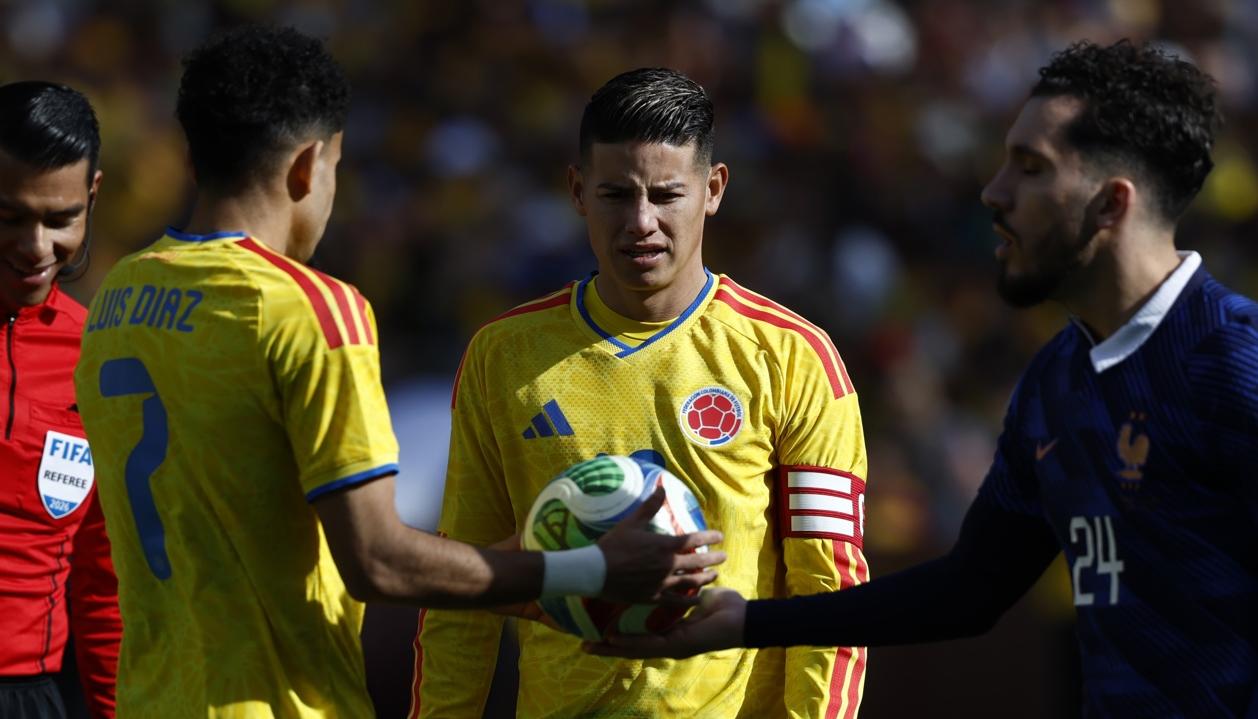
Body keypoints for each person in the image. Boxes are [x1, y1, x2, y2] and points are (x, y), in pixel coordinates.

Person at [589, 40, 1258, 718]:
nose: (993, 192)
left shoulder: (1234, 365)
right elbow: (967, 591)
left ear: (1111, 204)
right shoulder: (1057, 380)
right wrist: (748, 623)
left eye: (1030, 168)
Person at [72, 27, 722, 718]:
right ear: (308, 165)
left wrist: (517, 571)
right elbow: (377, 560)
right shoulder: (312, 310)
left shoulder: (117, 299)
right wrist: (586, 569)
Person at [411, 68, 870, 719]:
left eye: (665, 194)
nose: (641, 221)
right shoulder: (503, 356)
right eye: (616, 194)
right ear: (577, 191)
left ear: (713, 190)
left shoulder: (794, 358)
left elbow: (831, 590)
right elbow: (463, 586)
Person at [0, 81, 120, 719]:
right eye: (10, 217)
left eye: (60, 219)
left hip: (35, 697)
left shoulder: (96, 358)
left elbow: (103, 585)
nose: (36, 248)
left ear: (91, 196)